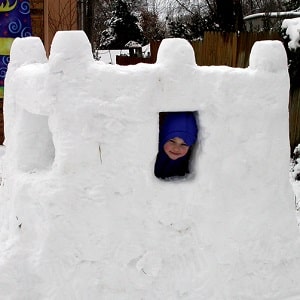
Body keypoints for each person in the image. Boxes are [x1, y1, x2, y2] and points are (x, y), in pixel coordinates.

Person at [154, 112, 198, 179]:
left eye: (184, 144)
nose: (176, 149)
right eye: (172, 141)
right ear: (163, 137)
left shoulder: (188, 162)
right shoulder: (152, 157)